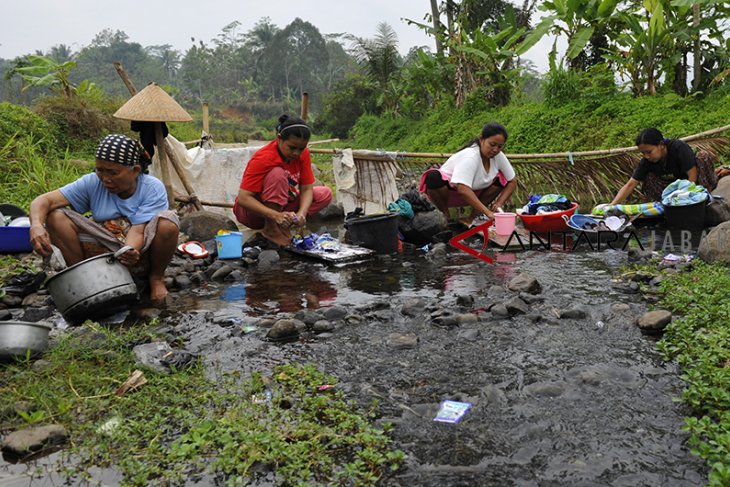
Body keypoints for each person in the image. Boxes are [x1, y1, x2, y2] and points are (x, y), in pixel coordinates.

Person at [29, 134, 179, 304]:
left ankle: (156, 279)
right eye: (100, 170)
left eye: (113, 172)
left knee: (168, 223)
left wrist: (129, 251)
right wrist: (36, 225)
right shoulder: (93, 182)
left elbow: (138, 230)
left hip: (138, 251)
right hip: (102, 247)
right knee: (55, 217)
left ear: (135, 171)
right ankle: (85, 279)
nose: (105, 179)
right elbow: (43, 201)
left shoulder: (151, 188)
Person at [233, 114, 333, 247]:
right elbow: (243, 198)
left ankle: (285, 224)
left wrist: (301, 213)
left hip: (283, 205)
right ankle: (271, 229)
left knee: (325, 194)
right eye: (292, 148)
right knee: (278, 174)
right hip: (253, 214)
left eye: (301, 148)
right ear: (279, 139)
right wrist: (275, 216)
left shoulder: (303, 155)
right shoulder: (264, 158)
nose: (296, 153)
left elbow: (307, 189)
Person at [419, 122, 518, 224]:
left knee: (501, 179)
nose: (495, 150)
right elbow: (462, 189)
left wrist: (499, 203)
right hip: (450, 192)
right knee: (433, 177)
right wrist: (488, 212)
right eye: (492, 145)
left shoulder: (499, 156)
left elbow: (512, 181)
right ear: (482, 139)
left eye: (499, 146)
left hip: (476, 192)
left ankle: (472, 218)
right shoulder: (470, 156)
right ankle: (446, 217)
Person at [608, 128, 718, 205]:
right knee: (648, 178)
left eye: (649, 152)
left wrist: (686, 196)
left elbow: (692, 174)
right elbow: (630, 185)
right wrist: (612, 204)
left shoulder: (678, 148)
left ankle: (707, 194)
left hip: (694, 183)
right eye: (643, 153)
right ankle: (665, 203)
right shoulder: (647, 161)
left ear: (661, 145)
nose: (646, 156)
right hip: (676, 189)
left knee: (703, 156)